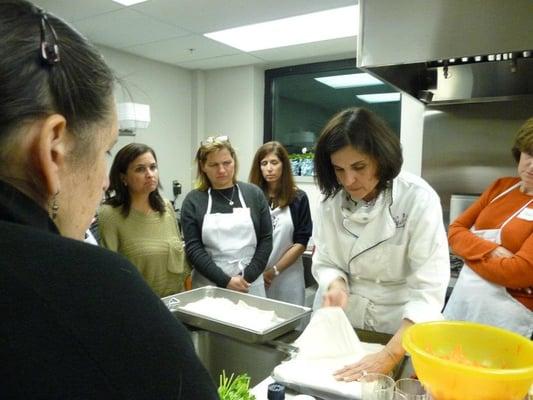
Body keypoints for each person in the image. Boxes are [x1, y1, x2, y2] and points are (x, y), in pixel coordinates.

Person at [0, 1, 218, 398]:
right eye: (105, 150)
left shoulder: (166, 209)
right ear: (53, 149)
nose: (102, 180)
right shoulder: (95, 285)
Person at [311, 107, 450, 381]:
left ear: (381, 158)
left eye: (359, 167)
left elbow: (428, 291)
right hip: (344, 321)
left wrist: (388, 356)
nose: (348, 180)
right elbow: (326, 261)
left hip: (398, 327)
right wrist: (337, 283)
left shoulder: (417, 199)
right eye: (339, 169)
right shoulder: (330, 203)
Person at [444, 118, 533, 338]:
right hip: (465, 300)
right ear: (519, 152)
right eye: (529, 154)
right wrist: (490, 250)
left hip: (508, 314)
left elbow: (519, 272)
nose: (532, 166)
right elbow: (455, 230)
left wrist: (468, 254)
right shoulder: (501, 187)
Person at [181, 136, 273, 296]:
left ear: (234, 162)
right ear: (203, 166)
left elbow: (266, 240)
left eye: (227, 163)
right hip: (210, 284)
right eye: (214, 165)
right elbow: (194, 248)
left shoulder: (254, 194)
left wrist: (246, 276)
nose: (222, 170)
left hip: (249, 284)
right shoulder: (193, 200)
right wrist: (225, 281)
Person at [98, 143, 191, 297]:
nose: (150, 174)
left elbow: (182, 262)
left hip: (175, 302)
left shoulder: (166, 206)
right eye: (140, 169)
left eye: (153, 167)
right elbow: (109, 273)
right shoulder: (110, 214)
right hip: (138, 304)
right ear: (123, 178)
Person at [249, 141, 312, 305]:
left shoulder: (298, 198)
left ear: (283, 165)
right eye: (264, 163)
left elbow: (301, 243)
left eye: (274, 162)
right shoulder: (251, 198)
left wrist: (273, 272)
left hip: (288, 276)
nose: (269, 168)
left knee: (289, 323)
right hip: (256, 276)